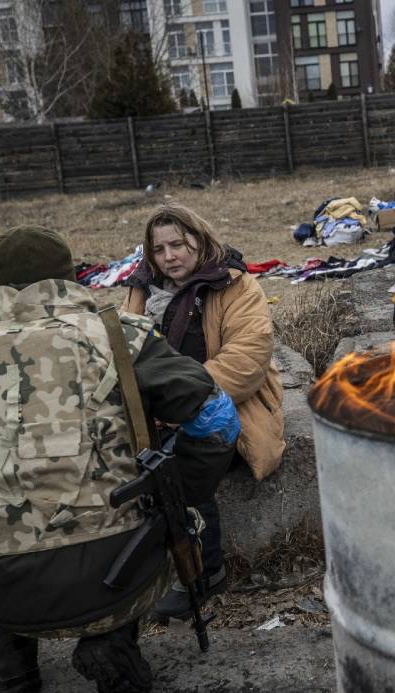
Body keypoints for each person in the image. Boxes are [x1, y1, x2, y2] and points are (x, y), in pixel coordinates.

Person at [0, 226, 238, 693]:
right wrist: (183, 493)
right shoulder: (119, 336)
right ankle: (111, 637)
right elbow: (217, 419)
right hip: (112, 573)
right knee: (156, 519)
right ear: (71, 280)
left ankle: (11, 653)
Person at [123, 203, 285, 620]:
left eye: (178, 244)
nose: (169, 256)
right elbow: (125, 356)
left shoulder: (235, 285)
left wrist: (176, 402)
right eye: (159, 250)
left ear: (200, 239)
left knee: (178, 468)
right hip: (161, 410)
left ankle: (204, 572)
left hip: (226, 407)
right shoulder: (144, 289)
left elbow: (246, 361)